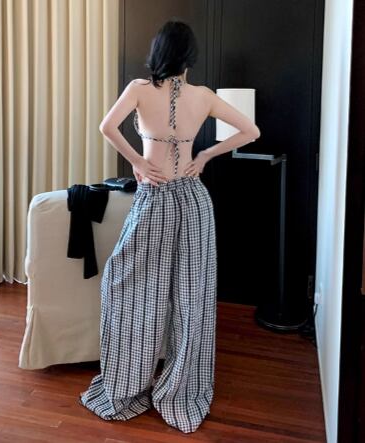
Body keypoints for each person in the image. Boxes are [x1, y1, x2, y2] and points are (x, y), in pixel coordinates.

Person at [79, 19, 260, 434]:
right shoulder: (204, 96)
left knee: (131, 289)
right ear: (189, 57)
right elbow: (251, 131)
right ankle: (179, 386)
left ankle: (129, 381)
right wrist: (206, 155)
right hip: (193, 200)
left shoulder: (139, 89)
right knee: (191, 296)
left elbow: (107, 127)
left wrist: (137, 162)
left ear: (158, 52)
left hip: (155, 198)